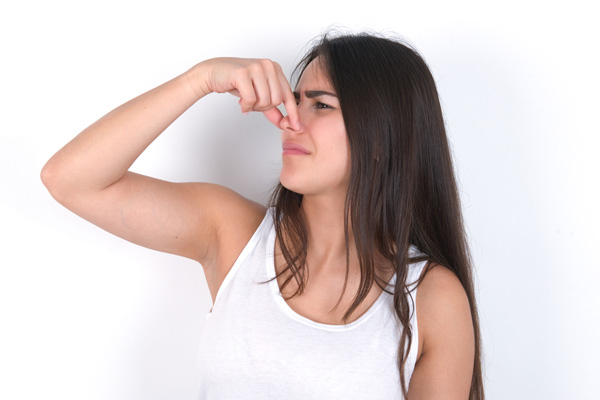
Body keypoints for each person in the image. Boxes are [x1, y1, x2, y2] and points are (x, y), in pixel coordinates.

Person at [41, 32, 484, 399]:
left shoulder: (431, 298)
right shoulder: (234, 233)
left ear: (382, 136)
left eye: (321, 105)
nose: (289, 120)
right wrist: (201, 78)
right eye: (294, 101)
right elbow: (71, 180)